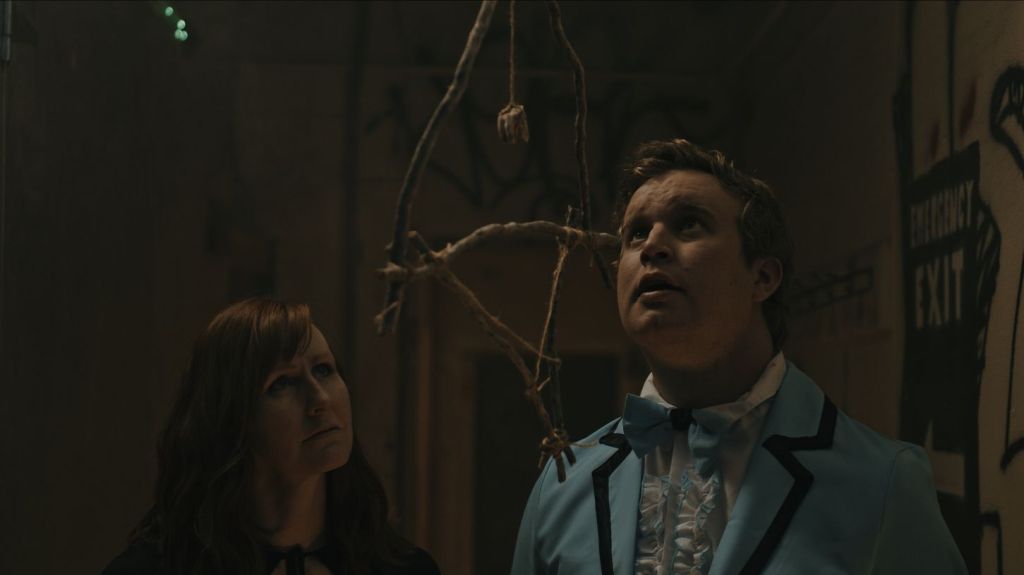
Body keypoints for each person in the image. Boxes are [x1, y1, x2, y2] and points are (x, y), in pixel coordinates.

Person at [511, 139, 966, 574]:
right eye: (636, 233)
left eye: (689, 224)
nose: (652, 246)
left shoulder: (882, 482)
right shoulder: (562, 484)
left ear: (762, 277)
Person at [103, 298, 440, 575]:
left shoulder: (403, 569)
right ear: (234, 418)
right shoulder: (155, 569)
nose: (321, 399)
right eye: (283, 383)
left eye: (324, 369)